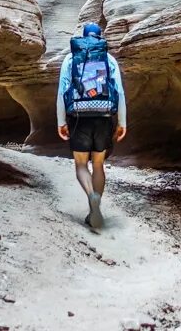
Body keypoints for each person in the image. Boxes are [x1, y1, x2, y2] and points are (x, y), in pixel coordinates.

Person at [56, 22, 127, 230]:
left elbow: (62, 91)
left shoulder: (71, 58)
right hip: (104, 116)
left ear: (83, 37)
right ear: (100, 37)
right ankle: (95, 208)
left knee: (80, 165)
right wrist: (122, 122)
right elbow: (119, 92)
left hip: (79, 117)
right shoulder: (108, 59)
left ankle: (91, 197)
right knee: (98, 164)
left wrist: (61, 121)